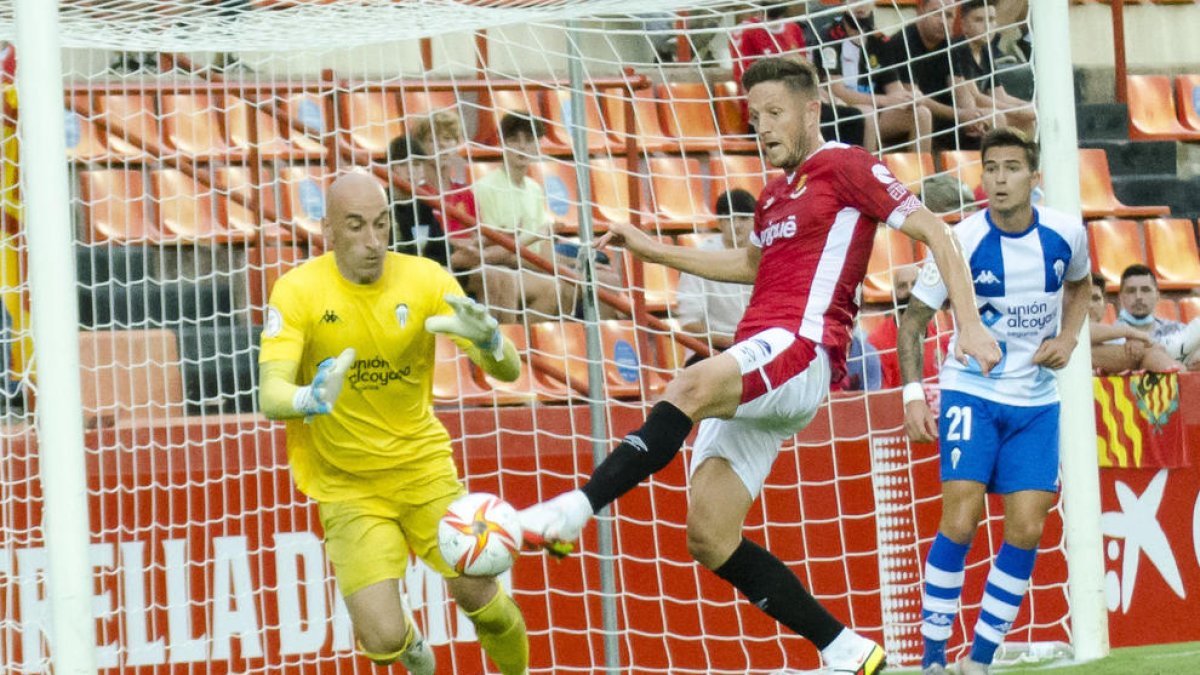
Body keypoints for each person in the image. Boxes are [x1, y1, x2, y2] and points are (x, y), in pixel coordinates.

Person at [520, 57, 1000, 675]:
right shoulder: (773, 195)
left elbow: (938, 231)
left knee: (690, 382)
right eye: (755, 118)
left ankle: (574, 510)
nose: (764, 128)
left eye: (776, 114)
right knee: (709, 534)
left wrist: (969, 321)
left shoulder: (849, 167)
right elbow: (750, 268)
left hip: (801, 348)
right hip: (762, 362)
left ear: (811, 110)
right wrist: (650, 247)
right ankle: (846, 650)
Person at [258, 173, 530, 675]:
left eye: (381, 225)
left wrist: (493, 344)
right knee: (383, 637)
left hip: (423, 471)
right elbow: (269, 394)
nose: (373, 241)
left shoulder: (425, 279)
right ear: (329, 232)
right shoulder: (297, 291)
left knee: (482, 599)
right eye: (356, 226)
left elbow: (509, 373)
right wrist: (307, 396)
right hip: (346, 486)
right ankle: (415, 654)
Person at [897, 128, 1091, 675]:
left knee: (1028, 527)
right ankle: (934, 658)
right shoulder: (960, 241)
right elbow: (910, 327)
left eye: (1011, 168)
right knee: (960, 516)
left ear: (1034, 177)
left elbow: (1081, 286)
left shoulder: (1066, 232)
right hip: (971, 393)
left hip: (1035, 401)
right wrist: (915, 396)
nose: (999, 179)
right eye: (990, 169)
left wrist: (1070, 337)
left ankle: (978, 661)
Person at [472, 112, 572, 324]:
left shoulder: (535, 189)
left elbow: (544, 248)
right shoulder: (486, 188)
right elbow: (492, 254)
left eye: (528, 140)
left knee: (600, 282)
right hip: (503, 271)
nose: (522, 146)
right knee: (553, 288)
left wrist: (573, 266)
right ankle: (522, 347)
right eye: (514, 140)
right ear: (502, 144)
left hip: (531, 266)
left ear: (537, 145)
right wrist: (550, 267)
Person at [730, 2, 866, 147]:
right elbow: (747, 86)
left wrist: (828, 98)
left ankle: (847, 165)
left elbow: (804, 76)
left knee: (853, 118)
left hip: (799, 104)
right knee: (822, 122)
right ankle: (820, 165)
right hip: (765, 113)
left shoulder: (793, 28)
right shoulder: (746, 30)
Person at [814, 4, 934, 153]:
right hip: (841, 111)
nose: (861, 5)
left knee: (922, 114)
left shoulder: (880, 40)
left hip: (876, 112)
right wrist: (885, 100)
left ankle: (922, 173)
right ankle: (869, 173)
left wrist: (909, 98)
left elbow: (895, 90)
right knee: (868, 114)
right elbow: (836, 90)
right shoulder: (829, 36)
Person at [879, 0, 991, 150]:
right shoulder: (901, 42)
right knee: (923, 115)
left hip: (946, 115)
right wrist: (960, 114)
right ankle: (922, 172)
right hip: (912, 113)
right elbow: (913, 97)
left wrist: (973, 117)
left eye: (949, 15)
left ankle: (993, 170)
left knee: (994, 117)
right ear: (921, 11)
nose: (944, 21)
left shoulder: (949, 45)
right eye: (937, 13)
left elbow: (960, 88)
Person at [676, 189, 755, 366]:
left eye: (743, 218)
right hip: (713, 351)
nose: (736, 226)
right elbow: (689, 325)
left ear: (756, 220)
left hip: (757, 347)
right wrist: (732, 342)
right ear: (719, 223)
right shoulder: (701, 257)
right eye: (728, 219)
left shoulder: (767, 255)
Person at [950, 0, 1036, 137]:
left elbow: (999, 95)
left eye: (991, 20)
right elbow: (976, 97)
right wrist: (1017, 111)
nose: (987, 26)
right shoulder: (959, 48)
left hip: (981, 112)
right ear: (963, 25)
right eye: (979, 20)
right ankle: (996, 156)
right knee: (1000, 117)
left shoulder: (985, 49)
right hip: (957, 118)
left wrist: (1027, 106)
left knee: (1027, 121)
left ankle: (1025, 157)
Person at [868, 266, 949, 389]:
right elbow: (883, 400)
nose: (910, 291)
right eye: (902, 286)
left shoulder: (942, 339)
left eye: (915, 284)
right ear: (893, 295)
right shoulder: (877, 343)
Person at [1087, 273, 1179, 374]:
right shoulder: (1118, 335)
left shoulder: (1112, 341)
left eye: (1095, 298)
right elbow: (1083, 332)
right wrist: (1131, 333)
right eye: (1082, 299)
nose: (1089, 305)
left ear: (1105, 307)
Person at [1115, 264, 1200, 369]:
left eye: (1145, 290)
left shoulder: (1177, 329)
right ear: (1121, 298)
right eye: (1131, 291)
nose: (1138, 297)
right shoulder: (1113, 337)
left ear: (1157, 295)